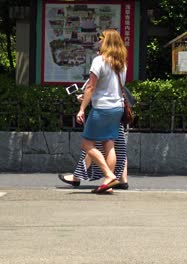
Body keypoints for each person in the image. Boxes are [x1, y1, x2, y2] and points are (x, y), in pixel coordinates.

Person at [76, 29, 127, 193]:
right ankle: (108, 183)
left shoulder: (99, 60)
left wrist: (82, 108)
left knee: (86, 143)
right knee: (109, 144)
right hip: (117, 108)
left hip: (102, 109)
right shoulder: (121, 63)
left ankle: (108, 175)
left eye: (101, 38)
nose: (98, 41)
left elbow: (91, 86)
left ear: (106, 41)